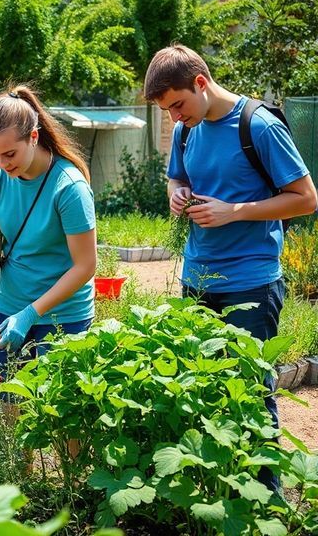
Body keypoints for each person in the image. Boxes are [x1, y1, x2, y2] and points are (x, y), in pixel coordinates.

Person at [145, 44, 317, 488]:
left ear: (201, 83)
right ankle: (219, 495)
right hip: (198, 279)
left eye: (177, 105)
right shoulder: (187, 129)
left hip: (250, 284)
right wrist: (176, 192)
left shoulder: (257, 125)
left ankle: (268, 501)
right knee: (202, 393)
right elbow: (177, 175)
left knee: (252, 396)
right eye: (166, 111)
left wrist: (234, 210)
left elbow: (306, 198)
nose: (174, 118)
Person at [0, 85, 97, 379]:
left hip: (63, 317)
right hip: (8, 311)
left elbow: (85, 266)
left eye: (9, 153)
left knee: (51, 414)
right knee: (10, 404)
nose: (2, 164)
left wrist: (32, 313)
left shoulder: (69, 187)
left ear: (33, 137)